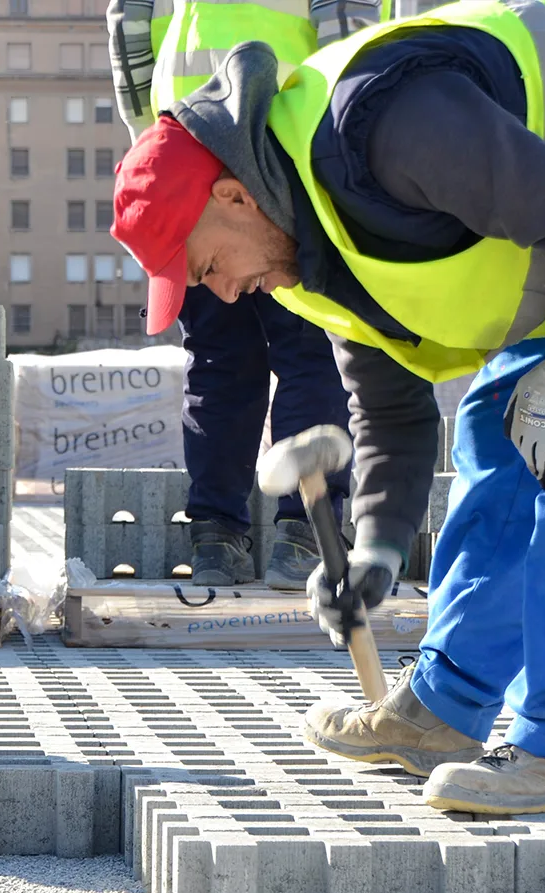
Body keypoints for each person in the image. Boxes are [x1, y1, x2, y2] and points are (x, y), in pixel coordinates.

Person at [110, 0, 545, 814]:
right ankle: (445, 707)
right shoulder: (300, 252)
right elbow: (392, 411)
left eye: (208, 266)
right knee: (499, 436)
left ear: (235, 198)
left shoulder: (385, 127)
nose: (222, 293)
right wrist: (377, 551)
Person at [107, 0, 374, 588]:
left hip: (194, 156)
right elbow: (350, 26)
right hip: (286, 154)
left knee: (220, 362)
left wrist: (153, 141)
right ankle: (303, 534)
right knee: (311, 354)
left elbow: (127, 23)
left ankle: (219, 537)